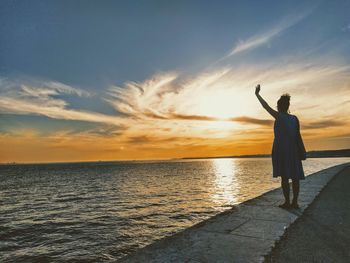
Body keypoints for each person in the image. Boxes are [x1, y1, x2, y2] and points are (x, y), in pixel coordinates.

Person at [255, 84, 306, 209]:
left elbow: (265, 106)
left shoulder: (279, 116)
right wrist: (302, 150)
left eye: (277, 106)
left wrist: (257, 94)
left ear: (280, 107)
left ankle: (287, 202)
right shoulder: (295, 118)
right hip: (293, 150)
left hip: (282, 150)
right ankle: (295, 202)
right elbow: (298, 135)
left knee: (284, 177)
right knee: (295, 177)